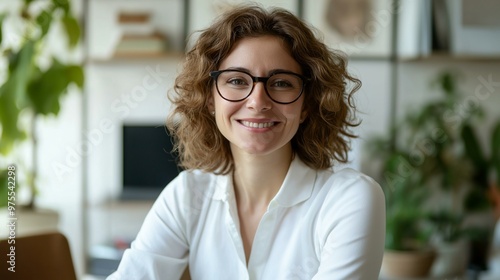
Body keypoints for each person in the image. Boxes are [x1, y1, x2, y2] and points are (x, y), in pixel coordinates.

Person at [108, 4, 385, 280]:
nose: (257, 102)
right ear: (210, 99)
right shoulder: (185, 196)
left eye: (281, 83)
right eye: (238, 80)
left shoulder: (349, 200)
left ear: (307, 105)